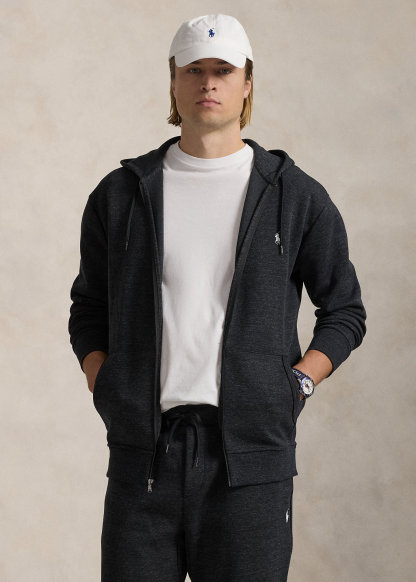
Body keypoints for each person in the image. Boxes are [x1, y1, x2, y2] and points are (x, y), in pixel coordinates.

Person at [68, 13, 367, 582]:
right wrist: (105, 380)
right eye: (194, 70)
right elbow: (88, 308)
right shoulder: (121, 194)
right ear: (173, 81)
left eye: (223, 71)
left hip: (251, 463)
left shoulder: (294, 195)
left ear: (247, 83)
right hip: (143, 459)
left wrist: (297, 383)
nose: (208, 83)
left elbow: (345, 311)